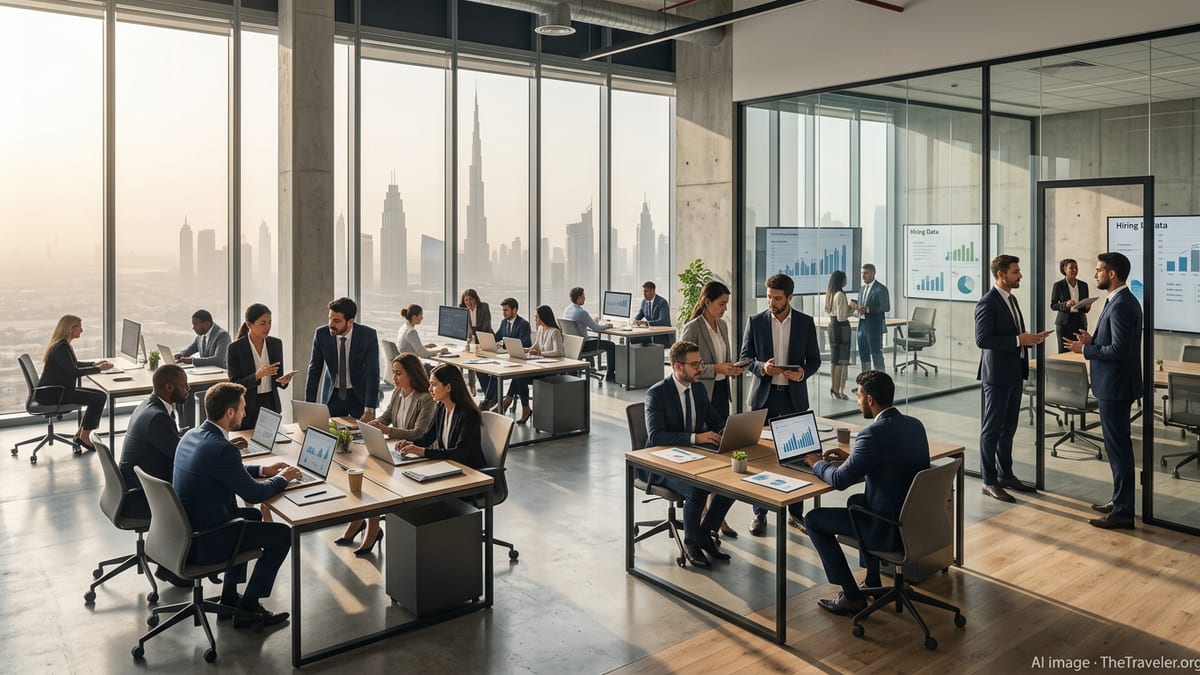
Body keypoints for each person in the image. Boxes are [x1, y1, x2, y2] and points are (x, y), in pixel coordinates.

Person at [801, 370, 930, 615]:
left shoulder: (872, 434)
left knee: (813, 520)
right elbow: (892, 464)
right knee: (856, 500)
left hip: (889, 528)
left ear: (870, 399)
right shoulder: (914, 425)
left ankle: (851, 596)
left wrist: (817, 463)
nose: (858, 401)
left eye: (859, 396)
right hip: (916, 523)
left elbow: (838, 479)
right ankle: (872, 581)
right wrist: (853, 460)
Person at [173, 383, 300, 628]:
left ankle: (230, 597)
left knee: (251, 516)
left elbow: (224, 470)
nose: (245, 412)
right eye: (242, 408)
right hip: (205, 540)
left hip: (185, 531)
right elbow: (254, 492)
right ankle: (249, 607)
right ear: (229, 413)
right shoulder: (223, 449)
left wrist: (263, 469)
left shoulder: (193, 435)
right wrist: (283, 478)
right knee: (284, 535)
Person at [1065, 252, 1142, 530]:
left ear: (1112, 274)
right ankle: (1119, 500)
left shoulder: (1121, 304)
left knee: (1118, 448)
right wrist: (1093, 339)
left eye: (1099, 270)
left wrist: (1085, 349)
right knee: (1116, 447)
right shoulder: (1120, 301)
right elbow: (1115, 342)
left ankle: (1123, 511)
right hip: (1114, 384)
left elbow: (1120, 351)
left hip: (1115, 386)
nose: (1095, 274)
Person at [740, 273, 821, 535]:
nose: (771, 302)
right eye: (768, 297)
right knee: (761, 459)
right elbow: (745, 358)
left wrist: (802, 374)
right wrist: (762, 367)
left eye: (776, 298)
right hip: (764, 398)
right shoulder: (755, 322)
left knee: (797, 457)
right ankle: (759, 514)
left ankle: (796, 514)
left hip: (793, 398)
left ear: (789, 297)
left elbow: (815, 360)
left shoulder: (806, 323)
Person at [643, 341, 736, 570]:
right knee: (696, 489)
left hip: (692, 457)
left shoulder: (698, 389)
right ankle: (691, 543)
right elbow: (656, 437)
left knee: (733, 483)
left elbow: (715, 420)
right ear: (677, 366)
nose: (699, 369)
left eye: (700, 363)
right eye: (694, 364)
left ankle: (705, 533)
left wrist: (729, 431)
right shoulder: (657, 394)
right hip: (659, 464)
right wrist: (697, 438)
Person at [339, 353, 437, 555]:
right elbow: (387, 417)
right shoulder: (397, 393)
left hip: (416, 456)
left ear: (412, 374)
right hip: (398, 450)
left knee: (375, 477)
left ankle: (372, 528)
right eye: (393, 373)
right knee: (363, 469)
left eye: (398, 373)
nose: (394, 378)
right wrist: (375, 424)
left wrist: (387, 431)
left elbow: (419, 433)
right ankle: (359, 520)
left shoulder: (425, 399)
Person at [976, 254, 1050, 503]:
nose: (1020, 275)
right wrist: (1019, 340)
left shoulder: (1012, 299)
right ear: (1001, 275)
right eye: (1015, 272)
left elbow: (1013, 334)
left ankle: (1005, 475)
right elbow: (982, 340)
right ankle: (988, 481)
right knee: (991, 430)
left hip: (1014, 373)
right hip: (996, 376)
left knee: (1008, 428)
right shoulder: (988, 302)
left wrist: (1030, 338)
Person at [679, 281, 744, 539]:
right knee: (707, 456)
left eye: (727, 304)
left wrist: (730, 368)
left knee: (723, 452)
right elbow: (684, 366)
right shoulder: (692, 328)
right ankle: (704, 513)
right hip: (700, 395)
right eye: (721, 304)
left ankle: (716, 514)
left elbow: (722, 360)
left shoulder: (723, 326)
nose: (725, 309)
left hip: (720, 393)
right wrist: (717, 369)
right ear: (707, 302)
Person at [118, 364, 192, 588]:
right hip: (140, 498)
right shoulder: (157, 418)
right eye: (184, 385)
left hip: (135, 488)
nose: (188, 388)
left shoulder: (150, 405)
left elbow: (173, 444)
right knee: (195, 499)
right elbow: (182, 457)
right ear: (169, 387)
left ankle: (168, 565)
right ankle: (178, 567)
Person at [39, 314, 113, 450]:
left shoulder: (63, 344)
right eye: (79, 327)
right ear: (70, 329)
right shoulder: (61, 347)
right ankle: (84, 437)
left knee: (99, 396)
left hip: (57, 390)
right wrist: (98, 369)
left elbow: (74, 365)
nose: (82, 330)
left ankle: (81, 434)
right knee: (99, 397)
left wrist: (94, 364)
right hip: (54, 393)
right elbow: (73, 371)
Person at [397, 364, 486, 471]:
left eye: (433, 385)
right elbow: (428, 437)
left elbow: (459, 453)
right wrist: (411, 444)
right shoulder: (441, 407)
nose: (429, 389)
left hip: (469, 472)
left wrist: (421, 451)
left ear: (448, 387)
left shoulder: (469, 414)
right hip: (449, 467)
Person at [305, 297, 381, 420]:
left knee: (362, 436)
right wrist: (309, 406)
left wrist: (369, 408)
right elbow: (314, 371)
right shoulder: (321, 334)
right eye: (330, 318)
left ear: (350, 322)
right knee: (328, 436)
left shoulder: (368, 336)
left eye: (336, 321)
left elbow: (373, 373)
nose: (331, 324)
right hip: (332, 395)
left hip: (359, 396)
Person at [227, 303, 294, 431]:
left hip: (270, 403)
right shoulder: (235, 348)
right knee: (246, 443)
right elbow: (234, 385)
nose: (267, 327)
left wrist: (283, 382)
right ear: (249, 324)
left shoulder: (275, 344)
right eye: (262, 323)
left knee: (270, 445)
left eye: (269, 322)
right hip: (246, 406)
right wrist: (257, 376)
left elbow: (278, 377)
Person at [502, 305, 563, 425]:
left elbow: (558, 352)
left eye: (536, 317)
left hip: (550, 370)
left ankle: (511, 402)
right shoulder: (541, 330)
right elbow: (535, 346)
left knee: (520, 377)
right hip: (539, 366)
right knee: (518, 376)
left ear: (543, 317)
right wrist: (527, 349)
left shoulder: (554, 332)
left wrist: (540, 353)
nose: (535, 319)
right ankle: (520, 406)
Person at [478, 297, 531, 411]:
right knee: (481, 371)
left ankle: (494, 400)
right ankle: (494, 397)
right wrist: (489, 343)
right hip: (505, 359)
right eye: (502, 310)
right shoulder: (504, 323)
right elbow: (496, 337)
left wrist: (506, 346)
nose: (503, 313)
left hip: (519, 362)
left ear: (514, 310)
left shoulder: (523, 324)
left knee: (509, 374)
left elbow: (525, 344)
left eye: (506, 310)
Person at [563, 287, 617, 382]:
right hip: (583, 346)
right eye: (584, 296)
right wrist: (607, 325)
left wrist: (592, 321)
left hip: (571, 346)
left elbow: (581, 322)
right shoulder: (582, 312)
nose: (585, 298)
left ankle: (592, 366)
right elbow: (596, 328)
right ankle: (610, 375)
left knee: (590, 338)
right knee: (611, 345)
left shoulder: (567, 309)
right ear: (579, 297)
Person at [849, 263, 890, 373]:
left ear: (873, 273)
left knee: (876, 353)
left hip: (874, 326)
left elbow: (886, 307)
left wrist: (868, 309)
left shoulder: (881, 289)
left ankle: (881, 378)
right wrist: (856, 307)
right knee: (863, 353)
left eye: (866, 273)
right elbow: (862, 306)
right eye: (862, 273)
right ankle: (865, 378)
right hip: (861, 324)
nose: (863, 276)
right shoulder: (862, 289)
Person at [1050, 258, 1090, 355]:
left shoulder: (1084, 285)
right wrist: (1065, 304)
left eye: (1076, 268)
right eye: (1071, 268)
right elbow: (1053, 305)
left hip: (1080, 322)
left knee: (1080, 351)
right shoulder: (1058, 285)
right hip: (1064, 323)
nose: (1074, 270)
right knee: (1064, 351)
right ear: (1064, 269)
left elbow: (1084, 308)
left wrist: (1087, 307)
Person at [825, 270, 852, 400]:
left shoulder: (831, 294)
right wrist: (852, 308)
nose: (846, 280)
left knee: (835, 360)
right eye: (845, 278)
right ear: (842, 280)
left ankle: (833, 388)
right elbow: (842, 317)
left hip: (832, 327)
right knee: (841, 361)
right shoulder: (840, 294)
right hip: (842, 328)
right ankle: (837, 389)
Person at [633, 281, 672, 347]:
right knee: (633, 339)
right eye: (643, 292)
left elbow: (663, 321)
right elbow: (639, 316)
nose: (644, 294)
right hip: (650, 333)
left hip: (661, 335)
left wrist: (646, 323)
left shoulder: (662, 302)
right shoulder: (644, 302)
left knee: (637, 340)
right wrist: (635, 321)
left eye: (646, 291)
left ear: (653, 291)